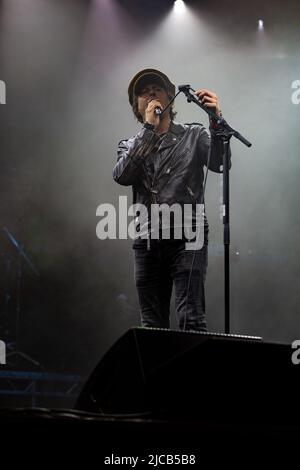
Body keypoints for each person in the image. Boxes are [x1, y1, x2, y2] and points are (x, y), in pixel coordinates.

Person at [113, 68, 230, 332]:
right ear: (137, 106)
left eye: (157, 87)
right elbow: (122, 175)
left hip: (188, 235)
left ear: (170, 97)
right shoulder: (129, 144)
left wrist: (216, 120)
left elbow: (219, 163)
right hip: (148, 240)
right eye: (143, 91)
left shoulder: (194, 135)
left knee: (191, 318)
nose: (151, 92)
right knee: (152, 327)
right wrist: (148, 131)